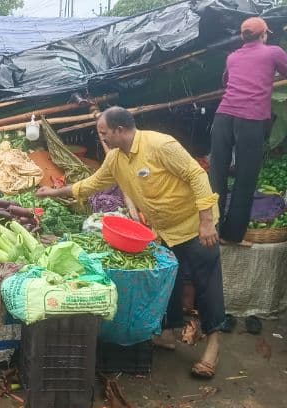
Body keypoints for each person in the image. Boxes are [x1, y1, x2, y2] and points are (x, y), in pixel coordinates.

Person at [36, 107, 223, 379]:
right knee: (168, 281)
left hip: (194, 226)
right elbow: (91, 184)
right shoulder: (115, 159)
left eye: (103, 133)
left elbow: (197, 176)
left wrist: (206, 221)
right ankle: (168, 334)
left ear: (120, 130)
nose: (102, 138)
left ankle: (213, 348)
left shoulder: (160, 145)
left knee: (207, 285)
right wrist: (53, 191)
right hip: (165, 232)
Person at [210, 17, 287, 245]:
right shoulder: (273, 52)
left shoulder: (232, 57)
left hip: (223, 116)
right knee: (245, 177)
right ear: (264, 35)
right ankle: (232, 236)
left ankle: (212, 229)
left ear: (243, 36)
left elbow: (228, 82)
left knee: (217, 174)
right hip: (250, 119)